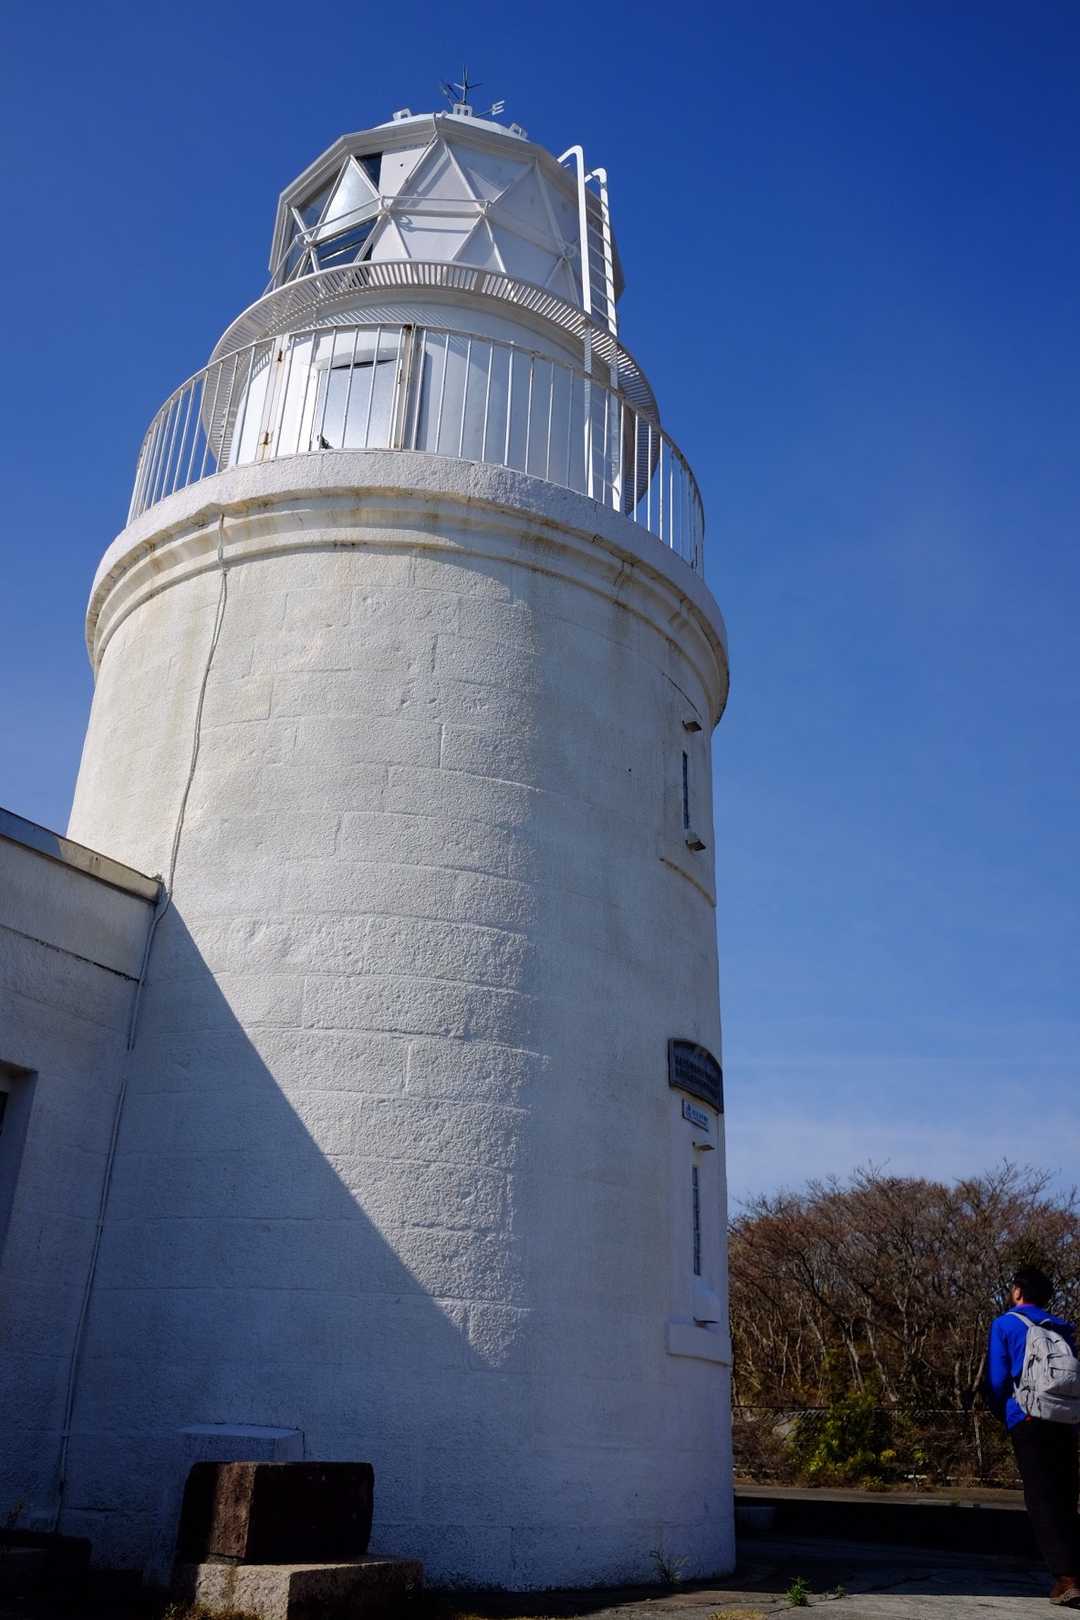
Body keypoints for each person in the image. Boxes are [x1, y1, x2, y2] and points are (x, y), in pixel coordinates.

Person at [987, 1265, 1080, 1608]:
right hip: (1066, 1420)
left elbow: (998, 1379)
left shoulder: (1006, 1324)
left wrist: (1002, 1411)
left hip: (1028, 1416)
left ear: (1017, 1292)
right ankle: (1074, 1571)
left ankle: (1067, 1578)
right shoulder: (1062, 1327)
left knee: (1041, 1498)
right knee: (1066, 1496)